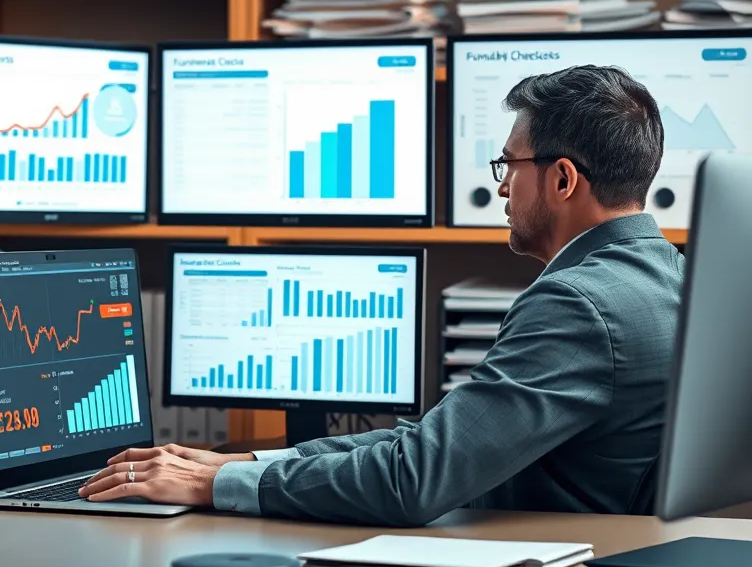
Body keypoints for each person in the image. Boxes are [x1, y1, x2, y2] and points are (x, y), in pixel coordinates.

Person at [80, 65, 685, 525]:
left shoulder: (577, 305)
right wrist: (245, 464)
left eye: (509, 166)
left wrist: (209, 488)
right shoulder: (669, 275)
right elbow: (433, 443)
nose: (502, 189)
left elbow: (414, 479)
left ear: (561, 179)